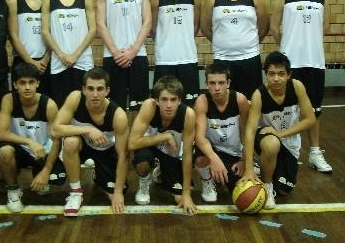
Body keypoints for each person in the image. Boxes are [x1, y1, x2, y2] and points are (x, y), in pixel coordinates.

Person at [270, 0, 332, 174]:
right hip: (292, 64)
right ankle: (287, 151)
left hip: (314, 62)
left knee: (314, 111)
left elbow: (324, 27)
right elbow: (274, 28)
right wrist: (288, 48)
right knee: (288, 109)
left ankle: (315, 153)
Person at [241, 51, 315, 209]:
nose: (276, 79)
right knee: (272, 143)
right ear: (266, 75)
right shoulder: (259, 95)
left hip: (289, 143)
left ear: (289, 75)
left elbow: (310, 119)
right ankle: (267, 185)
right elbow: (249, 131)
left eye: (281, 74)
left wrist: (281, 134)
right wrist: (247, 167)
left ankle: (265, 169)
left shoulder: (297, 87)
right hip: (266, 140)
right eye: (271, 74)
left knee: (284, 190)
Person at [51, 67, 129, 216]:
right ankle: (76, 193)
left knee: (113, 195)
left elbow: (123, 155)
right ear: (83, 90)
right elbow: (55, 129)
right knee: (70, 142)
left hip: (107, 151)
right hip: (84, 145)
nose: (95, 94)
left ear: (107, 91)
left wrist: (118, 192)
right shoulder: (75, 98)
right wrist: (88, 130)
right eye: (90, 89)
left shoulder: (118, 115)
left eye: (100, 89)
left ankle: (100, 176)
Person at [0, 62, 65, 213]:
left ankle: (39, 172)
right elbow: (0, 133)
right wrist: (28, 141)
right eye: (22, 83)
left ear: (37, 83)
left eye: (31, 82)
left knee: (55, 181)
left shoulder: (49, 105)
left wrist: (46, 170)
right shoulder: (9, 100)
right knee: (4, 152)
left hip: (42, 152)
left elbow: (57, 140)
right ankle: (13, 190)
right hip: (21, 149)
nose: (27, 87)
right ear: (15, 84)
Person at [201, 0, 269, 100]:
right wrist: (222, 42)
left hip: (249, 59)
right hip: (223, 60)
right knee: (225, 102)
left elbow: (264, 27)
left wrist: (249, 44)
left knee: (251, 102)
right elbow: (205, 27)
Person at [128, 76, 197, 216]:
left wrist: (186, 193)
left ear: (179, 100)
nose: (169, 105)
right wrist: (164, 136)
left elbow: (188, 153)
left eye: (173, 100)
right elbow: (132, 143)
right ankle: (144, 181)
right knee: (142, 161)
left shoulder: (188, 115)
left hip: (171, 151)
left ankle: (161, 170)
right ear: (157, 101)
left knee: (179, 198)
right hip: (148, 146)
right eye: (164, 99)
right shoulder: (149, 106)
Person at [96, 0, 151, 111]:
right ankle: (116, 137)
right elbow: (100, 23)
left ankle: (137, 137)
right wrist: (115, 52)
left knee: (139, 106)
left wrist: (133, 51)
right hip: (112, 56)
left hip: (138, 55)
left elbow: (147, 22)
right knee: (114, 106)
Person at [41, 0, 96, 107]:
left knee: (84, 106)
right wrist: (61, 55)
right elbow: (45, 31)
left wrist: (75, 55)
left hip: (82, 62)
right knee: (61, 106)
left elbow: (93, 30)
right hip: (60, 63)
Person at [193, 62, 249, 202]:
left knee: (240, 191)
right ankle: (207, 180)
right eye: (212, 83)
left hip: (233, 152)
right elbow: (199, 137)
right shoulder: (202, 101)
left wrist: (245, 160)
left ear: (228, 83)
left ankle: (224, 170)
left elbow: (247, 134)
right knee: (200, 159)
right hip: (213, 149)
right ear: (206, 84)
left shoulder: (240, 100)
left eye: (221, 83)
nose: (217, 88)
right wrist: (213, 157)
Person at [151, 0, 202, 106]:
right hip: (165, 58)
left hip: (188, 57)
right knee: (163, 102)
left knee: (189, 103)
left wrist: (183, 38)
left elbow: (195, 25)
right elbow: (153, 28)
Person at [7, 0, 50, 94]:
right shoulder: (14, 3)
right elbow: (13, 36)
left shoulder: (48, 1)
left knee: (45, 102)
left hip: (45, 63)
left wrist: (45, 59)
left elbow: (53, 34)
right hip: (22, 62)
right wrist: (30, 62)